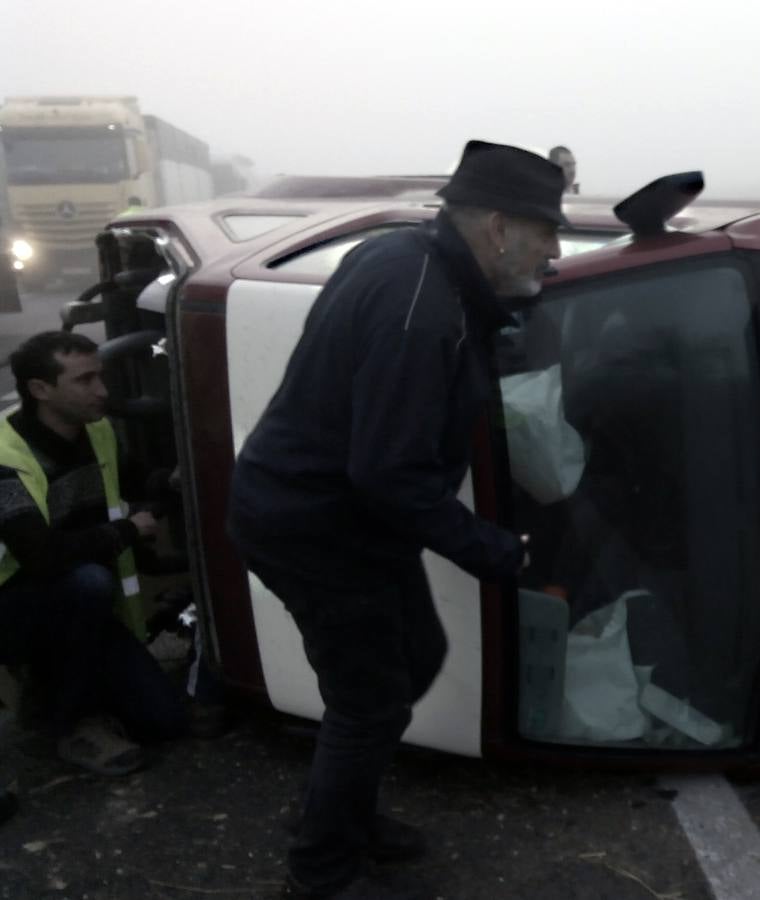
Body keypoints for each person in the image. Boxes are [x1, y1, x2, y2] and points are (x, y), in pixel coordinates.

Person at [227, 139, 566, 899]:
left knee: (413, 657)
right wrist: (496, 551)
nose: (554, 247)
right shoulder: (422, 311)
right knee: (372, 698)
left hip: (336, 518)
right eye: (547, 232)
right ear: (501, 228)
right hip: (315, 528)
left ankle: (341, 810)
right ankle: (320, 871)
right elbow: (387, 472)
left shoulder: (409, 258)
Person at [0, 331, 189, 776]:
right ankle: (69, 721)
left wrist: (178, 478)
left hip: (75, 603)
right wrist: (126, 529)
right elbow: (41, 558)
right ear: (40, 390)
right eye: (84, 380)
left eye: (100, 377)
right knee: (87, 584)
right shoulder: (6, 458)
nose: (102, 391)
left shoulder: (95, 430)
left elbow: (134, 479)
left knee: (165, 720)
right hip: (13, 603)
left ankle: (54, 688)